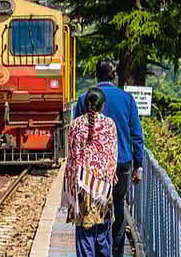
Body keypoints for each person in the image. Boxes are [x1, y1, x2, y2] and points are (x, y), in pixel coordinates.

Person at [73, 58, 145, 257]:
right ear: (113, 75)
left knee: (93, 207)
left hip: (91, 168)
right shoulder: (127, 99)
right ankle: (116, 252)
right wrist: (138, 165)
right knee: (119, 204)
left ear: (97, 74)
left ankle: (94, 250)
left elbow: (77, 135)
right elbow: (137, 135)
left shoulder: (83, 98)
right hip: (122, 164)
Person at [64, 87, 118, 257]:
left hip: (82, 188)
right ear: (102, 105)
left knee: (84, 236)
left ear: (86, 104)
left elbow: (71, 158)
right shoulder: (110, 125)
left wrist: (70, 189)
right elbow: (112, 157)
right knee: (103, 233)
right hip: (103, 189)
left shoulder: (75, 125)